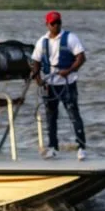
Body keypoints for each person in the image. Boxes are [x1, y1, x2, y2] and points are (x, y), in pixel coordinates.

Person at [32, 11, 88, 161]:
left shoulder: (70, 38)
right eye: (53, 23)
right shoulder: (41, 41)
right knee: (51, 117)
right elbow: (35, 61)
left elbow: (81, 58)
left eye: (58, 22)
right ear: (47, 24)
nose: (56, 25)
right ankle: (53, 147)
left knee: (73, 115)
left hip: (67, 83)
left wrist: (68, 70)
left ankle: (81, 147)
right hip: (50, 85)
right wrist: (38, 79)